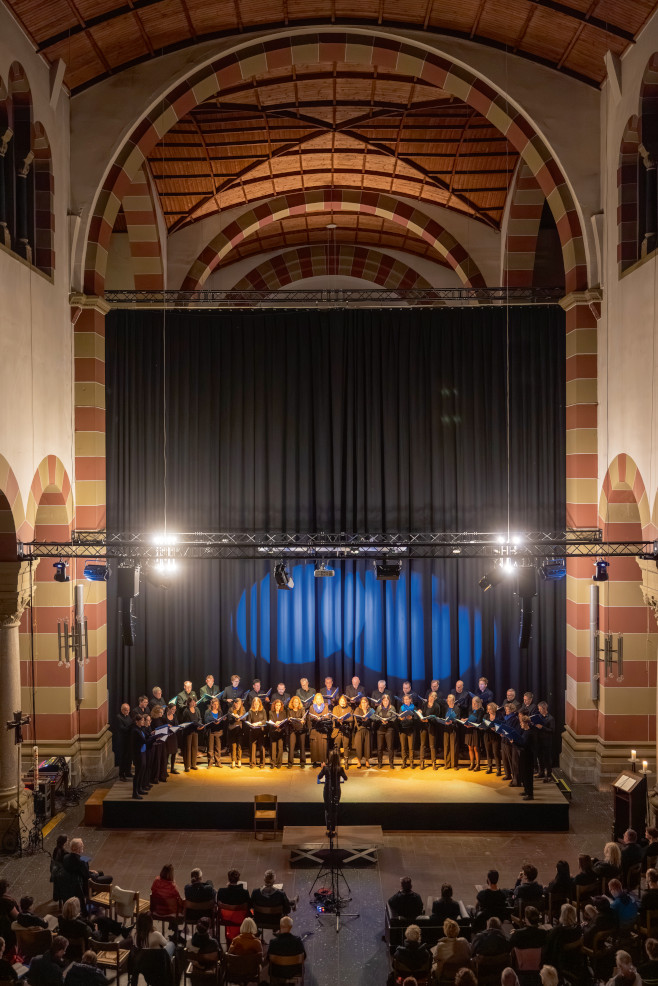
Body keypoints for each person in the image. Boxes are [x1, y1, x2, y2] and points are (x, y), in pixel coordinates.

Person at [541, 903, 584, 977]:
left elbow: (551, 948)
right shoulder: (578, 929)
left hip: (561, 961)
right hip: (576, 959)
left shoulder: (559, 931)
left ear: (562, 914)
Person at [317, 749, 347, 836]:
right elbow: (345, 778)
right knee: (334, 810)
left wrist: (323, 768)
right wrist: (341, 772)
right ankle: (333, 830)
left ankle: (327, 829)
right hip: (337, 790)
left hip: (327, 790)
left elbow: (319, 776)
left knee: (327, 809)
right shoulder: (340, 768)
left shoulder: (326, 768)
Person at [418, 691, 441, 770]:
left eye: (432, 698)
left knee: (432, 746)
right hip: (423, 726)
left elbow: (437, 719)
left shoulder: (437, 706)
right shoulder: (424, 704)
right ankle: (422, 762)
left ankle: (433, 763)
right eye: (429, 697)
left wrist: (429, 720)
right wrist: (420, 714)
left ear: (434, 699)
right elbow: (422, 714)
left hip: (432, 727)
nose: (430, 699)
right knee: (422, 745)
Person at [517, 713, 536, 800]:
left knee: (528, 775)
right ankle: (526, 790)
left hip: (528, 757)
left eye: (521, 723)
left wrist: (514, 742)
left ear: (526, 723)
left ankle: (530, 794)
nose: (520, 724)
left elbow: (524, 745)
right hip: (524, 755)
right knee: (524, 774)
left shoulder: (530, 733)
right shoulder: (525, 731)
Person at [309, 693, 331, 766]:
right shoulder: (312, 707)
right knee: (315, 746)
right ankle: (315, 761)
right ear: (315, 699)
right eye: (317, 698)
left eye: (319, 698)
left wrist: (321, 718)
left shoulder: (325, 707)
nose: (318, 700)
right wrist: (315, 718)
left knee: (323, 746)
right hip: (315, 728)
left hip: (323, 728)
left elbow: (327, 716)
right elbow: (310, 717)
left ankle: (323, 761)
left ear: (321, 699)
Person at [375, 694, 397, 769]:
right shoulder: (379, 707)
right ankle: (380, 762)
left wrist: (388, 722)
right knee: (380, 747)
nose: (385, 702)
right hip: (380, 729)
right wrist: (381, 721)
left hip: (389, 729)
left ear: (389, 701)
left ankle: (391, 763)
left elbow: (394, 718)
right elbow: (376, 717)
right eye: (384, 700)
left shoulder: (392, 707)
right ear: (382, 701)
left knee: (390, 747)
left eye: (387, 700)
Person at [181, 696, 203, 771]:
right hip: (188, 731)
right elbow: (185, 722)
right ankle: (187, 766)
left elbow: (200, 718)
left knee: (194, 747)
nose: (194, 703)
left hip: (195, 731)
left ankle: (193, 764)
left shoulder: (197, 709)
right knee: (188, 748)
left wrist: (199, 724)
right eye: (192, 702)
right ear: (189, 702)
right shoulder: (186, 711)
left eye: (194, 701)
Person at [330, 694, 353, 767]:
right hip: (338, 730)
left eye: (344, 701)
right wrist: (338, 720)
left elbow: (351, 719)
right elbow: (333, 718)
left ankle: (346, 762)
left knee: (346, 746)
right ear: (339, 701)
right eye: (341, 701)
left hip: (345, 730)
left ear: (346, 702)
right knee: (337, 746)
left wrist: (344, 719)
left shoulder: (349, 708)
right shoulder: (336, 708)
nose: (343, 702)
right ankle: (337, 762)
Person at [534, 701, 554, 781]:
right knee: (540, 758)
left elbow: (552, 730)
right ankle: (541, 772)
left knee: (547, 759)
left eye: (540, 709)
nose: (539, 711)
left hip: (546, 742)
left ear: (544, 708)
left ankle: (548, 775)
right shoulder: (539, 716)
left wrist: (542, 727)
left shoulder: (550, 718)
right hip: (539, 741)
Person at [464, 695, 484, 771]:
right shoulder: (471, 710)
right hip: (469, 730)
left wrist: (470, 724)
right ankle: (472, 763)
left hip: (476, 731)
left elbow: (478, 721)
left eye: (475, 703)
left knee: (476, 748)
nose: (474, 704)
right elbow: (469, 719)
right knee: (470, 747)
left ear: (479, 703)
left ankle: (478, 765)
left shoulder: (481, 710)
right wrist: (465, 720)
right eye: (473, 703)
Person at [286, 695, 307, 767]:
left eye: (297, 702)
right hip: (292, 729)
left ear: (299, 703)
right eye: (294, 702)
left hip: (301, 729)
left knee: (302, 746)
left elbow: (304, 719)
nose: (295, 703)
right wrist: (289, 719)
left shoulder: (302, 709)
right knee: (291, 746)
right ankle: (290, 763)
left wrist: (302, 721)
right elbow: (287, 719)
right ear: (292, 703)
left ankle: (303, 762)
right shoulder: (289, 710)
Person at [352, 696, 373, 768]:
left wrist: (367, 719)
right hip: (360, 729)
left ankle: (367, 761)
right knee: (359, 746)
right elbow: (356, 718)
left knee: (367, 746)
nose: (364, 704)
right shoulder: (358, 709)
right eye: (362, 702)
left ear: (367, 703)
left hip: (367, 729)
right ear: (360, 703)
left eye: (365, 702)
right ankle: (359, 762)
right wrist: (362, 719)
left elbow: (373, 719)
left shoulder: (369, 710)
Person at [131, 713, 148, 799]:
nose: (143, 722)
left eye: (143, 720)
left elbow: (146, 737)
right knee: (137, 773)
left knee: (142, 772)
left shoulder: (141, 729)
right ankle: (135, 793)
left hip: (143, 752)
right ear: (137, 721)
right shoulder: (135, 731)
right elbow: (143, 740)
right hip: (138, 755)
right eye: (141, 720)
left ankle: (140, 788)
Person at [246, 696, 267, 768]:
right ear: (253, 704)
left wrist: (258, 723)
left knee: (261, 748)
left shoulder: (263, 710)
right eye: (255, 703)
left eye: (257, 703)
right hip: (253, 731)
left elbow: (265, 720)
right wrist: (251, 725)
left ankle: (262, 763)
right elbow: (248, 721)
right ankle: (252, 763)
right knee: (252, 747)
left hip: (261, 731)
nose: (256, 705)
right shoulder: (250, 711)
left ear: (260, 703)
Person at [397, 694, 416, 769]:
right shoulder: (401, 708)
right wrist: (400, 718)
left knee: (411, 747)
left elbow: (416, 718)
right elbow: (399, 717)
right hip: (403, 729)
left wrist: (412, 718)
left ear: (410, 700)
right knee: (403, 747)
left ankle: (411, 762)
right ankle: (404, 762)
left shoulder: (413, 707)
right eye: (404, 700)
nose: (406, 701)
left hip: (411, 729)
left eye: (407, 699)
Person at [483, 701, 502, 776]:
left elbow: (502, 724)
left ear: (494, 709)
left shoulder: (499, 715)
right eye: (488, 709)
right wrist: (489, 728)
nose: (489, 710)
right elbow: (483, 726)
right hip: (487, 735)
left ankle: (498, 769)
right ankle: (489, 767)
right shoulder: (486, 716)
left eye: (490, 709)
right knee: (488, 752)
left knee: (496, 752)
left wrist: (496, 728)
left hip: (496, 736)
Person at [204, 697, 223, 768]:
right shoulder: (207, 712)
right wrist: (213, 722)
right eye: (214, 704)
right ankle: (210, 763)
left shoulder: (220, 712)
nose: (216, 706)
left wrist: (222, 720)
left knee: (218, 748)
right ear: (211, 704)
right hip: (210, 731)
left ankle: (218, 762)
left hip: (218, 731)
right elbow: (206, 721)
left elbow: (222, 723)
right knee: (210, 748)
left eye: (217, 704)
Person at [115, 703, 133, 780]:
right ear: (122, 710)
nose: (128, 712)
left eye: (128, 710)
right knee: (123, 758)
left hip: (129, 740)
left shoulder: (128, 716)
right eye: (126, 710)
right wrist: (131, 726)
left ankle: (128, 772)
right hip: (122, 740)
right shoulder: (118, 717)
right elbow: (122, 728)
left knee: (129, 757)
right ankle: (121, 774)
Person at [268, 698, 287, 769]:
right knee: (273, 748)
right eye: (276, 705)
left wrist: (280, 723)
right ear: (274, 706)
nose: (278, 707)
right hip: (273, 731)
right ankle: (273, 763)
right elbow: (270, 721)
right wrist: (275, 723)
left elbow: (285, 722)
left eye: (279, 705)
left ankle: (279, 763)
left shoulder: (283, 712)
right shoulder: (270, 712)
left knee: (280, 748)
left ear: (281, 706)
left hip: (280, 732)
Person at [227, 698, 246, 768]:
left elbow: (245, 718)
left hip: (240, 729)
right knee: (233, 746)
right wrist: (234, 719)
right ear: (234, 703)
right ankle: (233, 761)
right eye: (236, 703)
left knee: (239, 745)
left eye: (239, 704)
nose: (238, 705)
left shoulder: (243, 709)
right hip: (232, 729)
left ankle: (239, 760)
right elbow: (229, 719)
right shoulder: (231, 709)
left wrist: (240, 718)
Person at [442, 693, 459, 770]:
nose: (449, 702)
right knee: (446, 746)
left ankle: (454, 764)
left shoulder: (456, 708)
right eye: (448, 700)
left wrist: (452, 722)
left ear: (453, 701)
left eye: (451, 700)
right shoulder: (445, 708)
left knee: (453, 746)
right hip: (446, 728)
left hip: (453, 729)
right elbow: (442, 717)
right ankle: (447, 763)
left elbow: (457, 718)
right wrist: (444, 721)